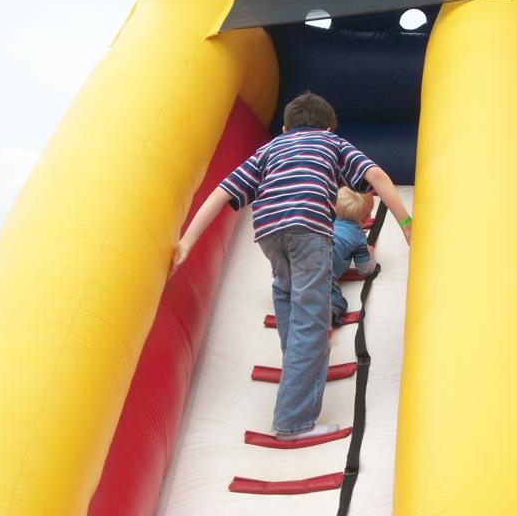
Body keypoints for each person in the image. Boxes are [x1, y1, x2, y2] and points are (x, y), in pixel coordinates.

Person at [169, 92, 411, 440]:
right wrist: (407, 226)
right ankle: (292, 422)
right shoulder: (331, 142)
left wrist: (187, 241)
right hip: (309, 231)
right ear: (328, 127)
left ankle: (296, 362)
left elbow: (222, 191)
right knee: (312, 326)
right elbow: (377, 177)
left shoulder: (269, 149)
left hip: (269, 235)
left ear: (284, 128)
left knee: (286, 292)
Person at [331, 188, 377, 327]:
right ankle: (330, 314)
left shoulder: (326, 220)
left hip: (295, 262)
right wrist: (370, 254)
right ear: (366, 218)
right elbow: (365, 269)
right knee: (337, 301)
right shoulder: (358, 237)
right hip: (321, 273)